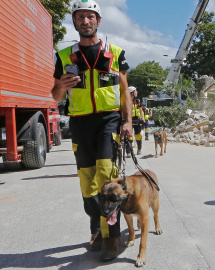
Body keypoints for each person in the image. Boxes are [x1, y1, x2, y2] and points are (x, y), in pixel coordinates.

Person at [51, 0, 132, 260]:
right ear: (74, 21)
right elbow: (55, 96)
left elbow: (124, 91)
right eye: (80, 17)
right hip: (80, 122)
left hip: (108, 120)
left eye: (90, 16)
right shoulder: (64, 56)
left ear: (98, 21)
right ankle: (96, 230)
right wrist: (62, 87)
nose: (85, 21)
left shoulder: (115, 52)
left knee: (107, 176)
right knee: (87, 181)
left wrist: (127, 121)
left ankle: (112, 239)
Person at [127, 86, 144, 156]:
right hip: (129, 120)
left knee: (138, 136)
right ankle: (128, 152)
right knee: (129, 136)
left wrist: (142, 117)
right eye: (135, 91)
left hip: (137, 120)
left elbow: (141, 110)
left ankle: (139, 149)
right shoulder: (126, 101)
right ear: (132, 93)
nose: (136, 92)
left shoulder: (138, 101)